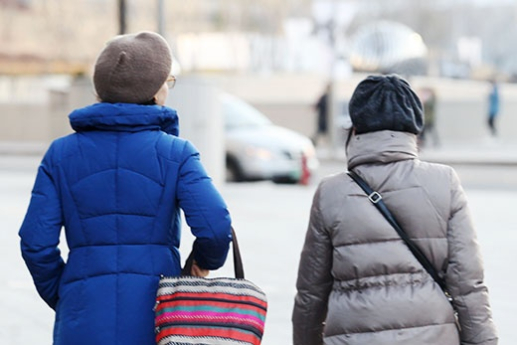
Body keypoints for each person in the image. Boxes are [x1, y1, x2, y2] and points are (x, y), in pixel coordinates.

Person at [19, 31, 232, 345]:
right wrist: (196, 268)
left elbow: (35, 243)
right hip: (159, 317)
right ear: (155, 90)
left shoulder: (60, 154)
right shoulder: (176, 153)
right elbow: (215, 228)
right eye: (167, 81)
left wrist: (66, 293)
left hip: (82, 320)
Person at [292, 75, 498, 345]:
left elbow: (311, 293)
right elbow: (468, 284)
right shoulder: (443, 182)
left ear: (355, 128)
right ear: (414, 127)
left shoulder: (331, 192)